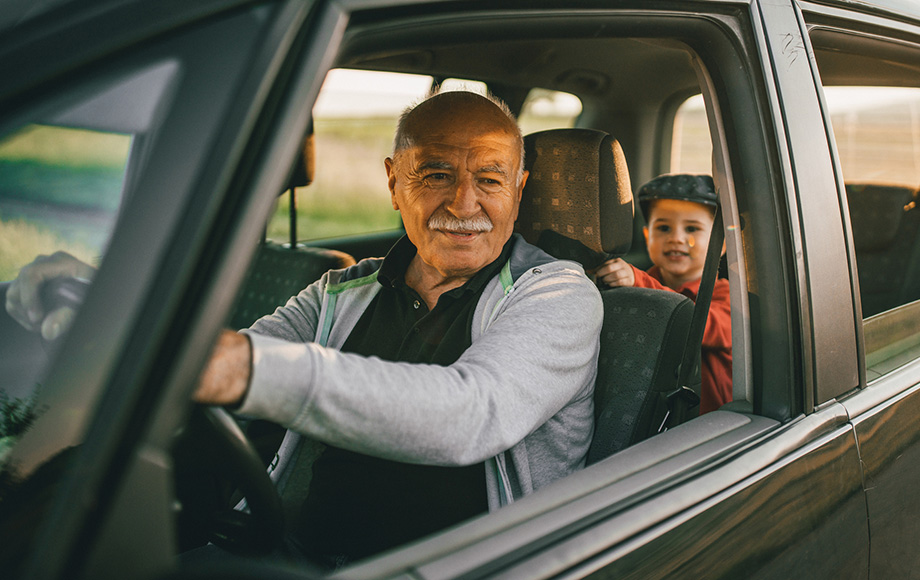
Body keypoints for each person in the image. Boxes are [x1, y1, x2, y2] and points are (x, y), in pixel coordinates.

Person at [6, 90, 602, 568]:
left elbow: (472, 415)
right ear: (394, 181)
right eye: (436, 175)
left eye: (491, 179)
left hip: (462, 566)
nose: (465, 202)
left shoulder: (557, 293)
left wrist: (239, 366)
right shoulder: (341, 289)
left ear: (518, 190)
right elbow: (233, 350)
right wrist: (112, 302)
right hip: (296, 548)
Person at [593, 174, 731, 413]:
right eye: (664, 228)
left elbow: (700, 325)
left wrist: (639, 282)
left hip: (708, 424)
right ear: (648, 237)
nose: (676, 238)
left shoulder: (726, 296)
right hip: (649, 413)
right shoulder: (637, 285)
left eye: (692, 228)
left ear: (721, 245)